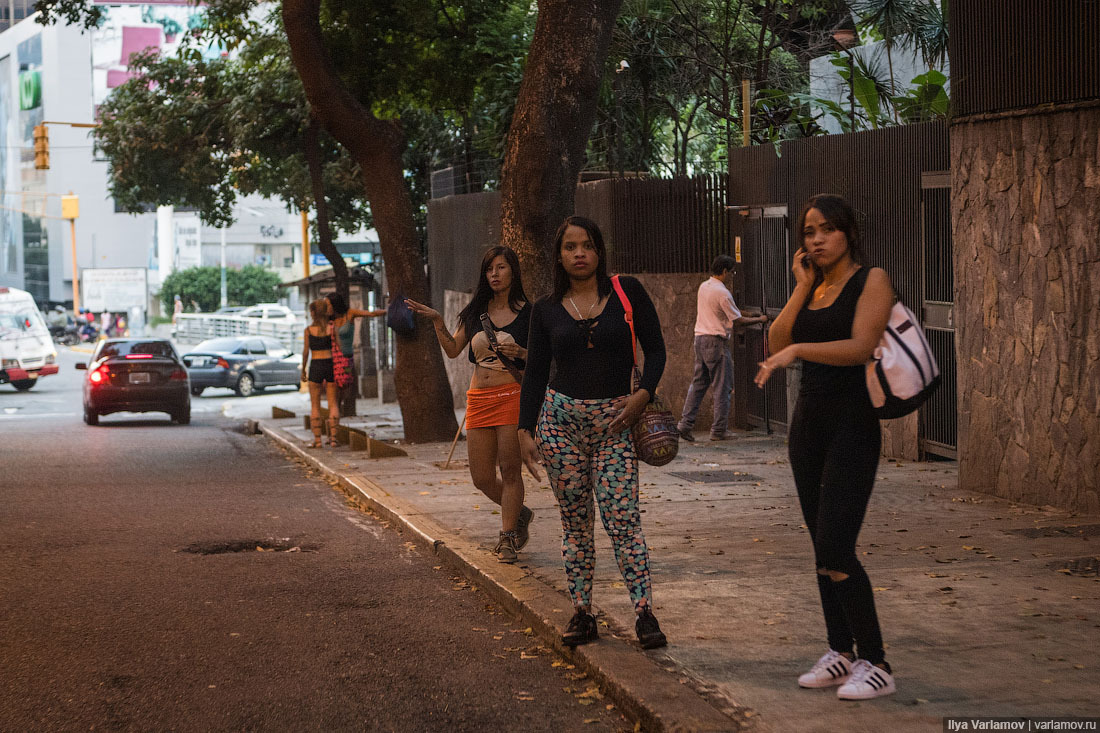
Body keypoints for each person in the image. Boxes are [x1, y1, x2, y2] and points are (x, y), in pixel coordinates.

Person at [753, 193, 896, 700]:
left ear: (848, 232)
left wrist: (797, 350)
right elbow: (775, 340)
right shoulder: (814, 286)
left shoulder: (870, 279)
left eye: (827, 229)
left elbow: (860, 346)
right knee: (821, 548)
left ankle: (876, 661)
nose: (816, 239)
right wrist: (803, 287)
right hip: (808, 427)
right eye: (809, 232)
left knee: (837, 544)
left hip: (853, 424)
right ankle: (841, 651)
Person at [517, 215, 668, 650]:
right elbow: (535, 373)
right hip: (560, 426)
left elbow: (655, 349)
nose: (578, 253)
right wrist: (525, 428)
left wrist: (643, 395)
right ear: (559, 255)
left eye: (586, 245)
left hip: (616, 425)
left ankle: (644, 613)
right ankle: (582, 613)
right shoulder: (545, 308)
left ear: (599, 250)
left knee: (623, 520)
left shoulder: (627, 291)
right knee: (576, 525)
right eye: (569, 247)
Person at [406, 247, 535, 563]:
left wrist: (522, 353)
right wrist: (438, 320)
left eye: (501, 267)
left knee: (509, 469)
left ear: (512, 272)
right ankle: (519, 512)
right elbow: (452, 350)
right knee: (481, 477)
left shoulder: (530, 313)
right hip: (478, 399)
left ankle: (506, 538)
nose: (494, 274)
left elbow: (543, 359)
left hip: (511, 398)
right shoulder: (475, 312)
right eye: (489, 268)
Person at [677, 255, 768, 442]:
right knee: (722, 387)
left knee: (698, 385)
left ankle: (684, 425)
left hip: (700, 340)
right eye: (732, 272)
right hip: (716, 342)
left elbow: (730, 310)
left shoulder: (705, 287)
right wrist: (760, 319)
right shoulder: (722, 292)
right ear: (725, 271)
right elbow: (738, 320)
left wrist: (751, 313)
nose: (732, 275)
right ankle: (719, 430)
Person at [324, 292, 386, 413]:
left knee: (344, 388)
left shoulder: (350, 314)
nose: (327, 308)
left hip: (346, 359)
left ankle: (337, 415)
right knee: (332, 391)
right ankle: (334, 418)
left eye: (328, 305)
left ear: (335, 304)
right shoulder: (327, 321)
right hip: (331, 359)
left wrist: (388, 310)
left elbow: (371, 313)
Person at [301, 298, 341, 449]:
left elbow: (305, 352)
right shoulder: (332, 328)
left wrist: (303, 369)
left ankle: (317, 440)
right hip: (330, 365)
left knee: (315, 405)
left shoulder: (308, 331)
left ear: (314, 313)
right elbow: (339, 348)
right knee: (333, 403)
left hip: (316, 366)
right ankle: (333, 439)